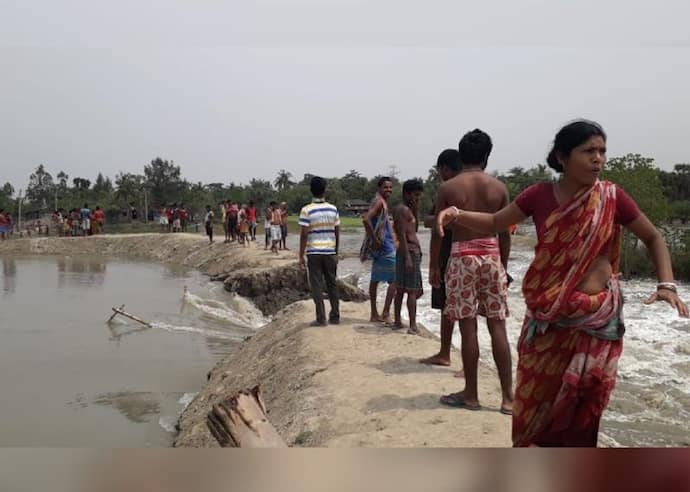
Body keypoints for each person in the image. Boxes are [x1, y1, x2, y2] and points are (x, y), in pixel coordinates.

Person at [437, 120, 690, 447]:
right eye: (589, 151)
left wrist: (666, 284)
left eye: (602, 151)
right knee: (535, 411)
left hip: (595, 325)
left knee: (582, 414)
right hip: (548, 322)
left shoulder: (613, 197)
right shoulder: (539, 196)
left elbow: (654, 236)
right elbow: (497, 222)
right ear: (562, 156)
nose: (598, 158)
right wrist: (456, 213)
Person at [433, 129, 514, 416]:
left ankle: (471, 394)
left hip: (462, 257)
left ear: (461, 153)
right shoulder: (499, 188)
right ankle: (508, 399)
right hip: (492, 256)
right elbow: (504, 233)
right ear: (487, 156)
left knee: (468, 327)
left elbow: (438, 233)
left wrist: (434, 267)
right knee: (498, 326)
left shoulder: (448, 189)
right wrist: (503, 265)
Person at [419, 149, 464, 370]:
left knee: (450, 306)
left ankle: (446, 353)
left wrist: (433, 263)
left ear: (445, 168)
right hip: (482, 254)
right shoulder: (488, 187)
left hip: (450, 254)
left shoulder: (447, 189)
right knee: (471, 309)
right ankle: (465, 363)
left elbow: (437, 226)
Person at [298, 176, 341, 326]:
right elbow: (337, 231)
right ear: (325, 190)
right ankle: (335, 316)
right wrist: (336, 250)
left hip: (314, 252)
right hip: (330, 251)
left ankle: (321, 318)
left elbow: (304, 234)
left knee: (316, 285)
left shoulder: (306, 210)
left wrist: (300, 255)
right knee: (332, 284)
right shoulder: (333, 209)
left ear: (311, 191)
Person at [362, 177, 397, 323]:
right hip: (385, 246)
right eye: (385, 187)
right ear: (379, 188)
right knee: (396, 279)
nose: (388, 190)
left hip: (382, 247)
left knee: (375, 279)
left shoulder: (381, 201)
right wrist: (375, 240)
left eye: (390, 187)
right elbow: (366, 219)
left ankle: (374, 314)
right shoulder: (379, 202)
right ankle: (385, 312)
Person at [392, 179, 425, 334]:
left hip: (409, 251)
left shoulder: (408, 210)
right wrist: (407, 257)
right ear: (407, 194)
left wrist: (416, 209)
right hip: (409, 251)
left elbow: (415, 228)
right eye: (416, 195)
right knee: (410, 290)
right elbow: (403, 235)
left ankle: (398, 321)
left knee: (402, 288)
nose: (417, 198)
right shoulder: (402, 210)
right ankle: (412, 325)